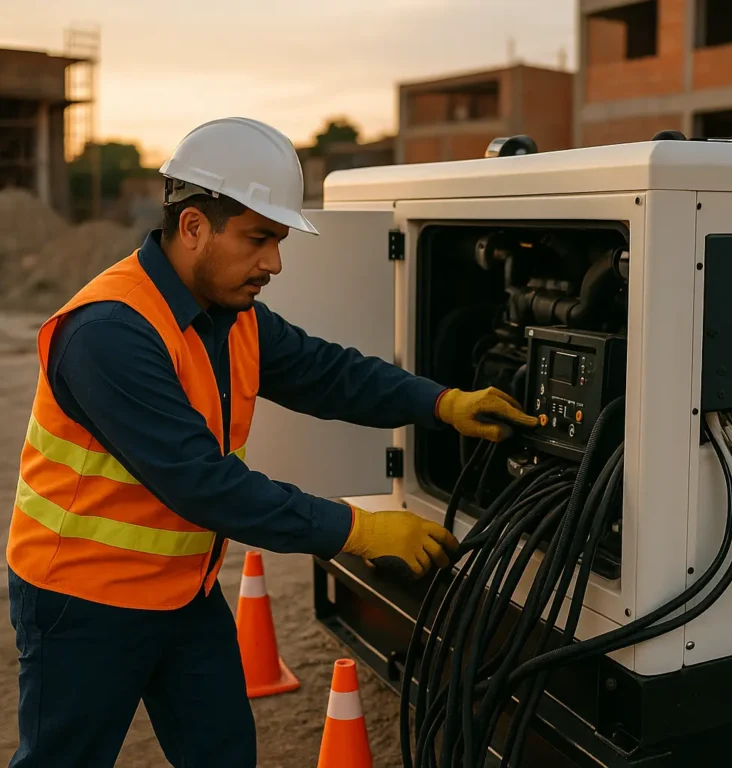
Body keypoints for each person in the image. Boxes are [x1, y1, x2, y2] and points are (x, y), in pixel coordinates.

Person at [6, 117, 537, 768]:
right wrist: (359, 530)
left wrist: (440, 402)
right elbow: (204, 485)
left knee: (224, 752)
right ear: (195, 225)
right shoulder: (109, 333)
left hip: (183, 593)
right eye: (260, 239)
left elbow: (329, 373)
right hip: (85, 602)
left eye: (279, 241)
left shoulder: (233, 316)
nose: (274, 263)